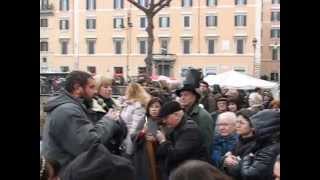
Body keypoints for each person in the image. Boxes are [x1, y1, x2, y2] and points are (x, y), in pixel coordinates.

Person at [42, 71, 122, 175]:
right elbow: (89, 145)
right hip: (65, 172)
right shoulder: (68, 111)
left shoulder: (70, 107)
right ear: (77, 88)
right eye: (91, 87)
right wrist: (108, 120)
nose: (95, 91)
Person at [156, 101, 209, 179]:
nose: (164, 121)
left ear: (176, 115)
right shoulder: (178, 126)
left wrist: (163, 141)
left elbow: (175, 155)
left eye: (166, 118)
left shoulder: (190, 130)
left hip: (191, 174)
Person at [240, 109, 280, 180]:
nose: (252, 129)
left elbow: (249, 174)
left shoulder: (269, 150)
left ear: (265, 128)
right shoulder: (266, 143)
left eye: (255, 127)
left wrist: (246, 157)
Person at [176, 84, 214, 155]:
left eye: (186, 95)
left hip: (197, 159)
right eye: (181, 95)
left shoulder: (203, 116)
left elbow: (207, 143)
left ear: (194, 97)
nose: (182, 98)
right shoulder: (182, 113)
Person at [132, 97, 163, 180]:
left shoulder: (164, 121)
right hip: (145, 158)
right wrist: (142, 133)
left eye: (157, 107)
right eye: (151, 107)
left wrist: (157, 140)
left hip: (160, 158)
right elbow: (133, 136)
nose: (154, 109)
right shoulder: (144, 120)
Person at [221, 109, 257, 180]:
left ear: (252, 127)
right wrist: (225, 159)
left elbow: (242, 171)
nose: (237, 125)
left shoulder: (256, 145)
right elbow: (226, 157)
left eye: (241, 123)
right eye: (237, 122)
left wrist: (228, 161)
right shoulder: (239, 140)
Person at [120, 82, 152, 157]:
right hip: (124, 140)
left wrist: (129, 148)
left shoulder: (138, 106)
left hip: (130, 142)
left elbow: (135, 127)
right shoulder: (128, 104)